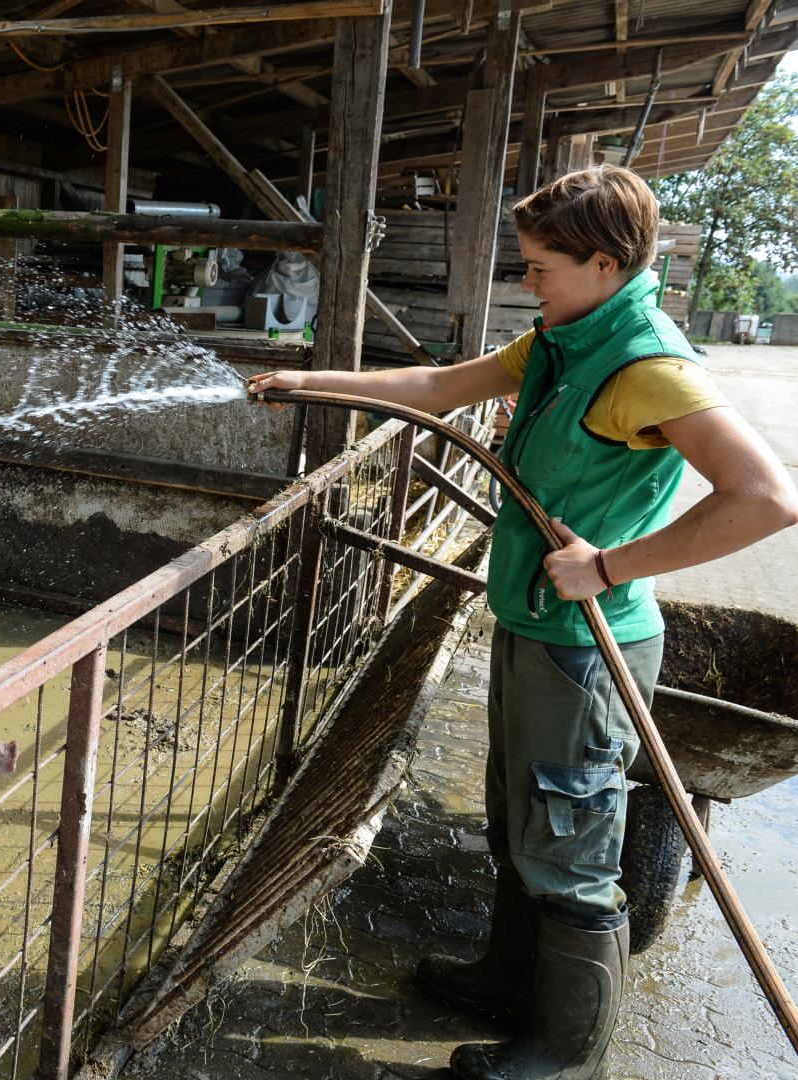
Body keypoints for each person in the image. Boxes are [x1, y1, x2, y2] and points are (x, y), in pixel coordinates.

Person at [247, 164, 798, 1080]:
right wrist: (312, 381)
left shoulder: (646, 366)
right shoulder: (560, 338)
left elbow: (768, 498)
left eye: (540, 266)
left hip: (586, 645)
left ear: (604, 263)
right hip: (533, 624)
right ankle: (509, 983)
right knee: (520, 821)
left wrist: (608, 566)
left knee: (571, 843)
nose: (527, 280)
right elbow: (437, 383)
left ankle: (567, 1054)